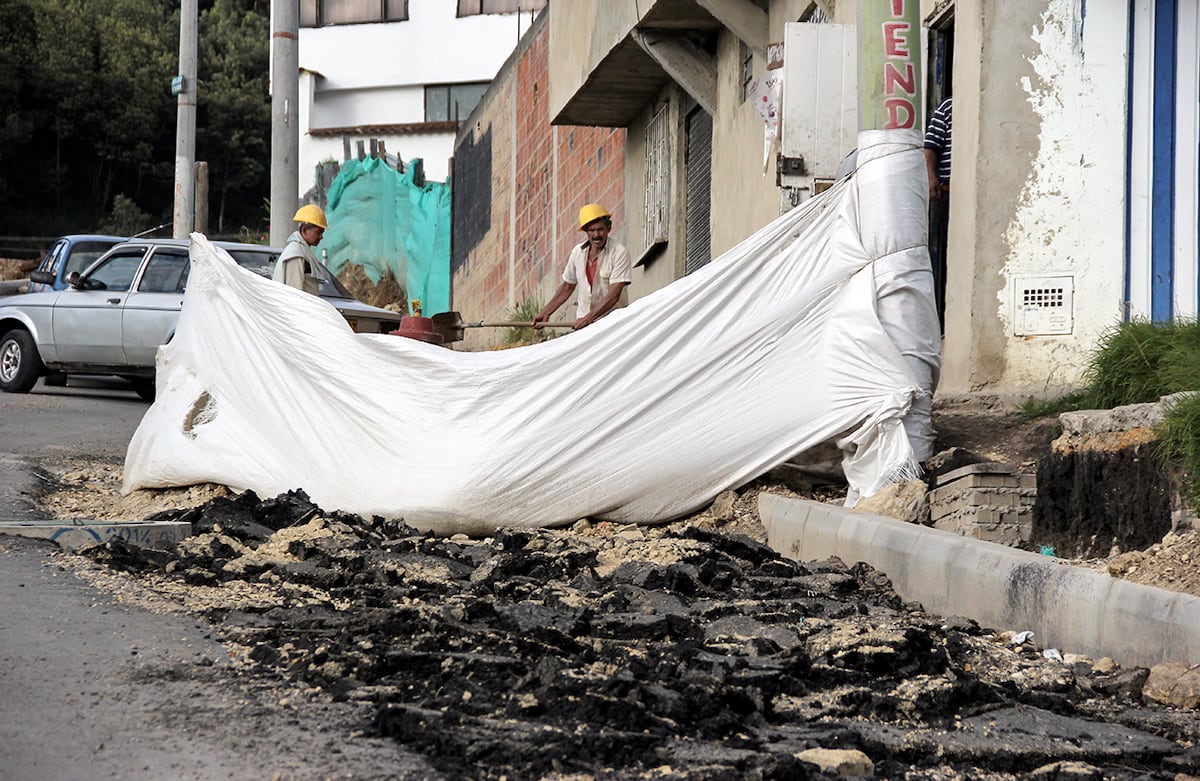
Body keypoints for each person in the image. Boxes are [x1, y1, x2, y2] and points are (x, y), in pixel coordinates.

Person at [533, 204, 631, 331]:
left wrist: (587, 319)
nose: (596, 235)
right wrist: (546, 312)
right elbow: (567, 287)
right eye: (592, 230)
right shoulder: (578, 252)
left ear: (609, 228)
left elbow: (613, 295)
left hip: (613, 326)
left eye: (600, 229)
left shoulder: (619, 253)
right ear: (585, 231)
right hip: (585, 328)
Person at [923, 96, 952, 327]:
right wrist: (931, 177)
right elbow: (930, 147)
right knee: (946, 255)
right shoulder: (948, 107)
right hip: (949, 193)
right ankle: (940, 319)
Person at [273, 204, 327, 295]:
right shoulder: (296, 254)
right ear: (305, 230)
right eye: (318, 232)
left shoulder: (303, 252)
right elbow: (295, 293)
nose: (321, 237)